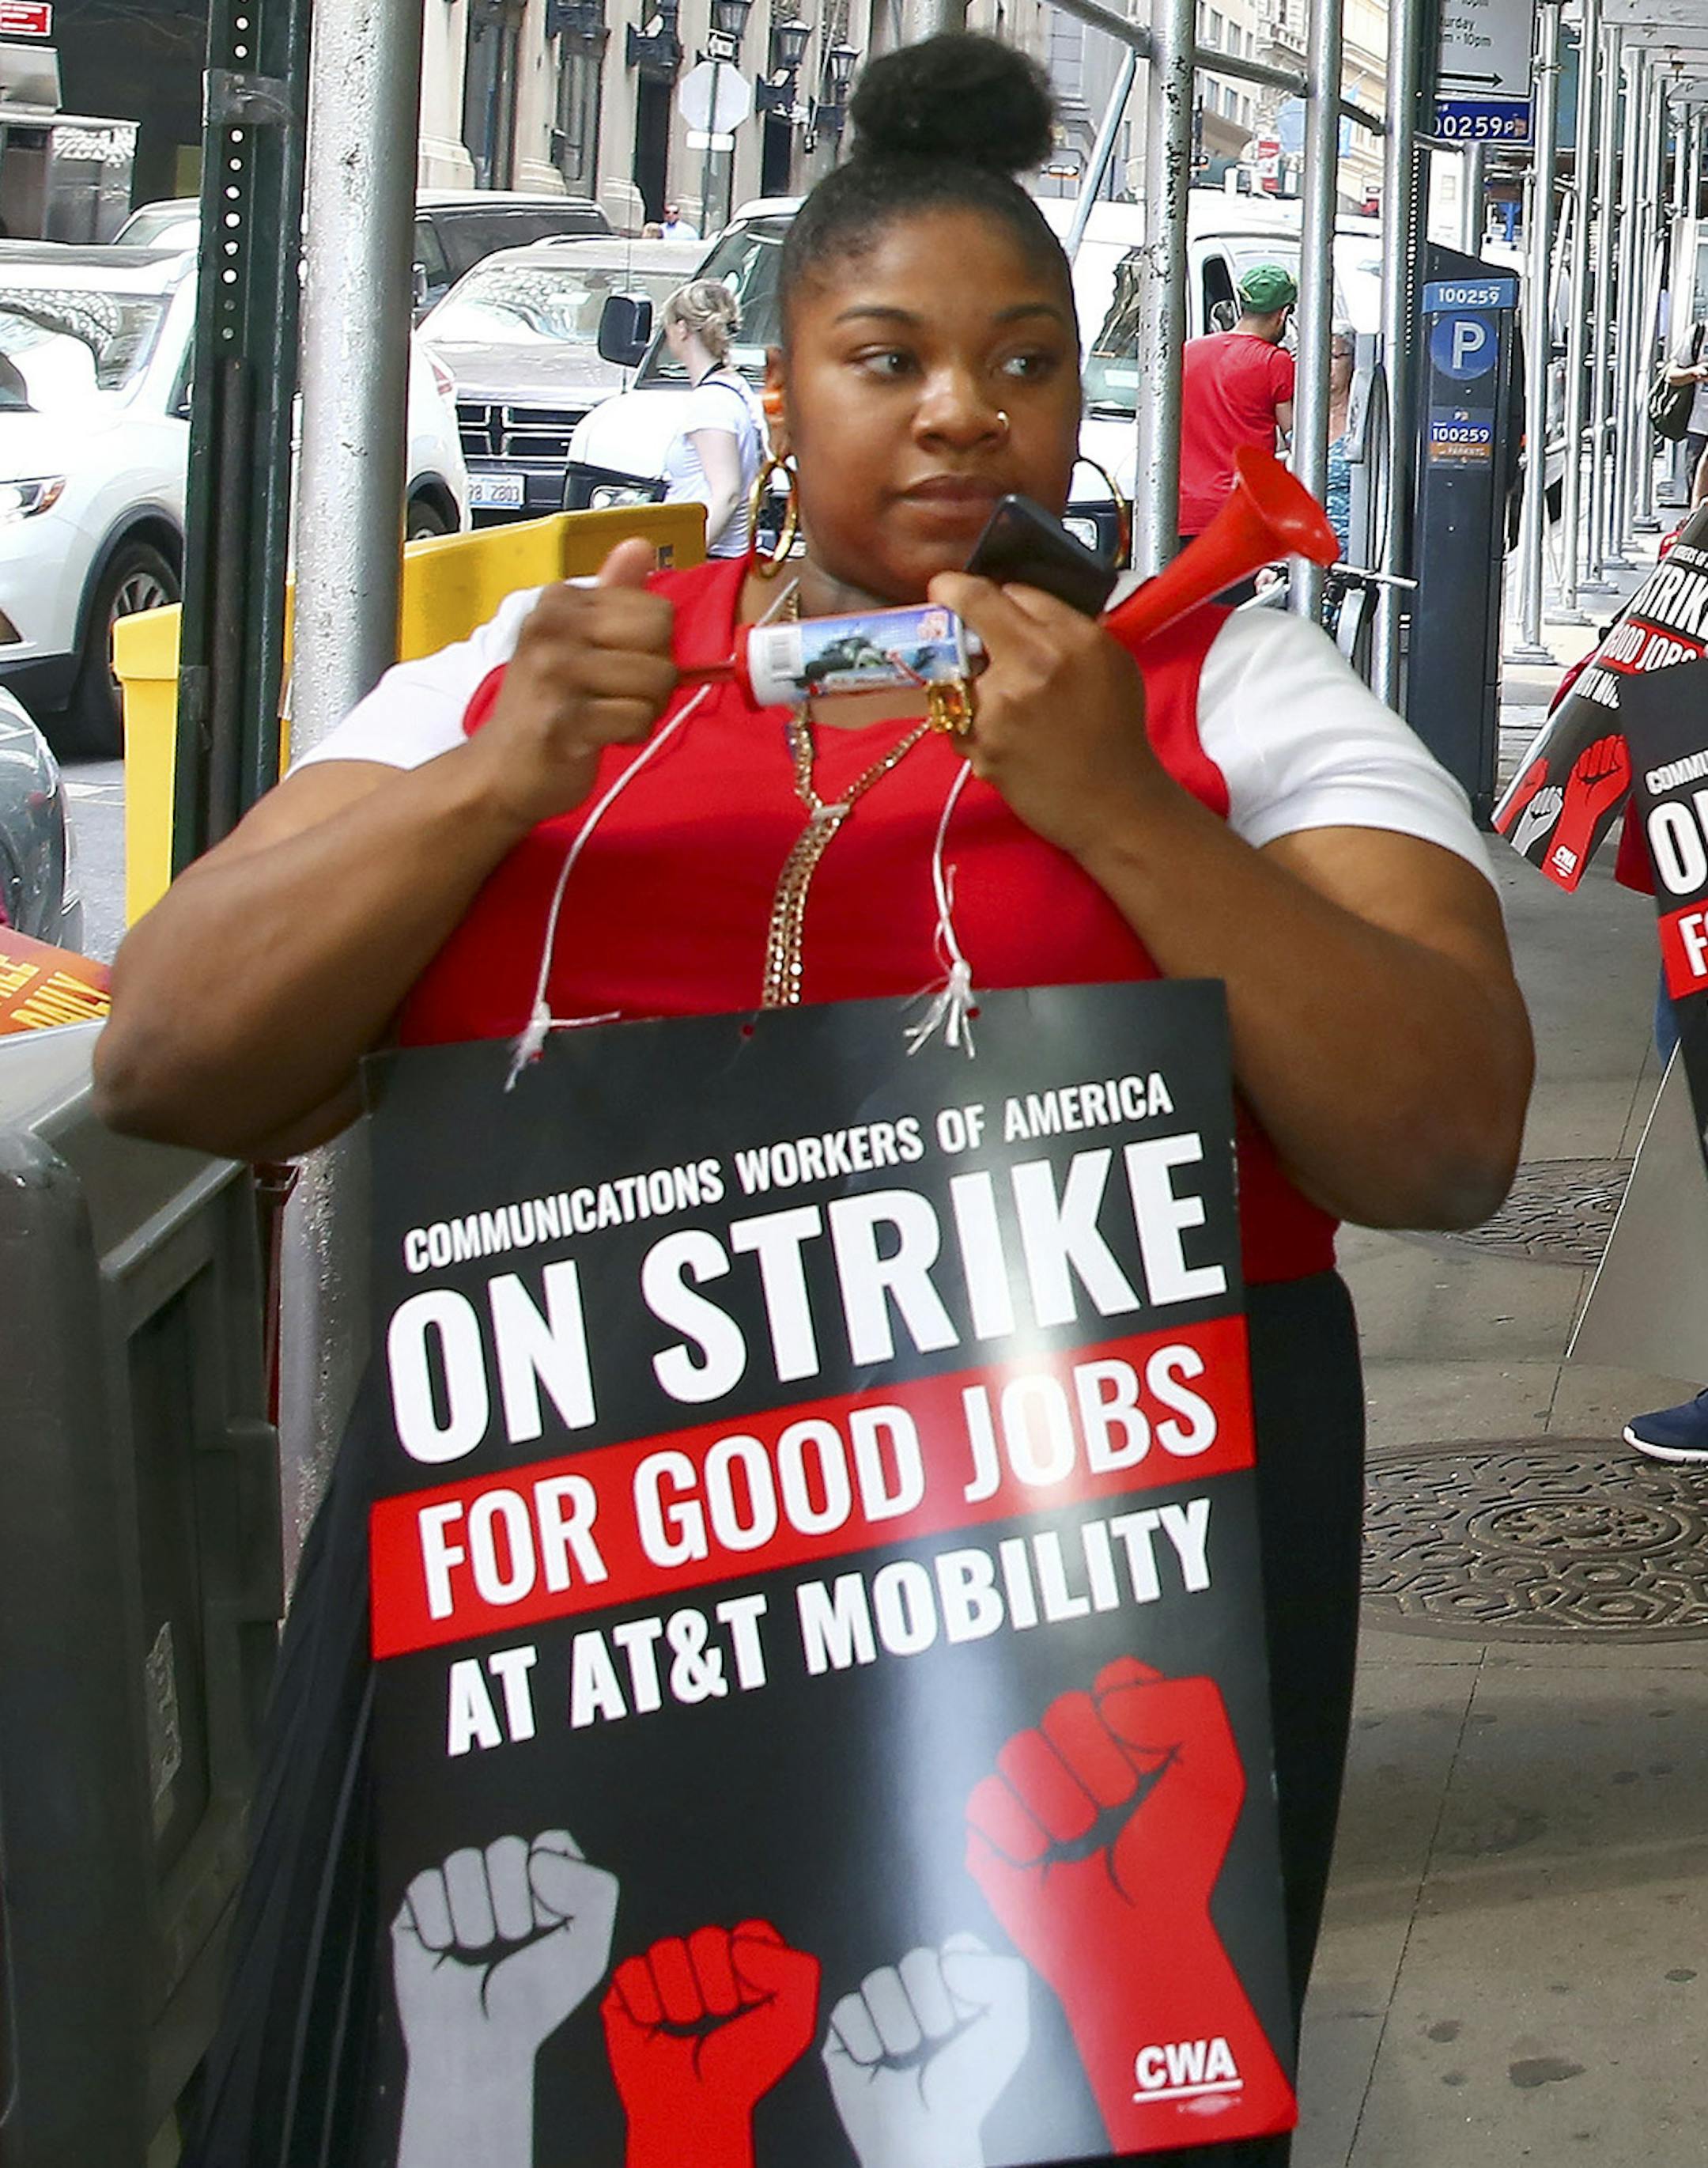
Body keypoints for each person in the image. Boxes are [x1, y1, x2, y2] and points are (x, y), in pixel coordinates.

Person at [95, 33, 1532, 2167]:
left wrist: (1129, 813)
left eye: (1027, 362)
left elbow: (1444, 1137)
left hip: (1063, 1633)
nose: (966, 409)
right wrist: (494, 782)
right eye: (889, 355)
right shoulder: (536, 674)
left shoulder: (1223, 682)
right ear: (777, 386)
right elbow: (169, 1060)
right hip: (561, 1604)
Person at [1178, 263, 1298, 568]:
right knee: (1237, 614)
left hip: (1181, 514)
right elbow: (1297, 437)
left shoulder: (1188, 352)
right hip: (1238, 518)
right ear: (1283, 314)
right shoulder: (1275, 362)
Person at [658, 277, 765, 555]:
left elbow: (727, 493)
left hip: (713, 558)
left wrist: (686, 555)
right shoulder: (734, 389)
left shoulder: (710, 402)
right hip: (729, 554)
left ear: (682, 329)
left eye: (666, 326)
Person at [1323, 324, 1356, 557]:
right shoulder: (1295, 415)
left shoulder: (1363, 420)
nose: (1325, 366)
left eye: (1334, 356)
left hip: (1349, 549)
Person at [1666, 312, 1708, 491]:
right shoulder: (1699, 332)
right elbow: (1671, 376)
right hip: (1700, 427)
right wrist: (1694, 373)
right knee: (1698, 501)